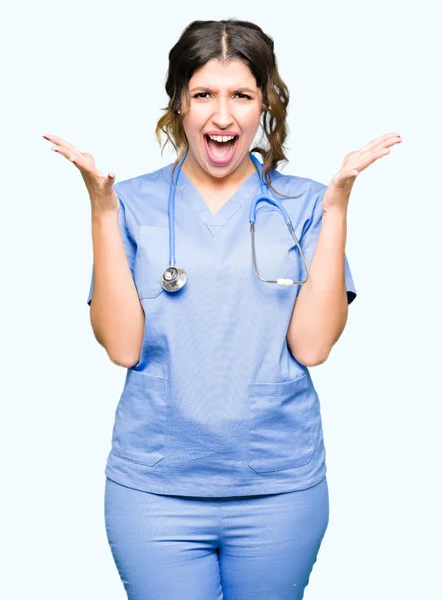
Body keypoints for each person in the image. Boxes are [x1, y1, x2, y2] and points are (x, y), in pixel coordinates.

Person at [43, 17, 401, 600]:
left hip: (278, 490)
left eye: (242, 95)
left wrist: (338, 207)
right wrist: (102, 213)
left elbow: (312, 347)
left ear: (266, 105)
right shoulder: (131, 202)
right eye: (204, 94)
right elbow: (121, 346)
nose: (222, 115)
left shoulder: (305, 203)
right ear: (179, 103)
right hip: (155, 494)